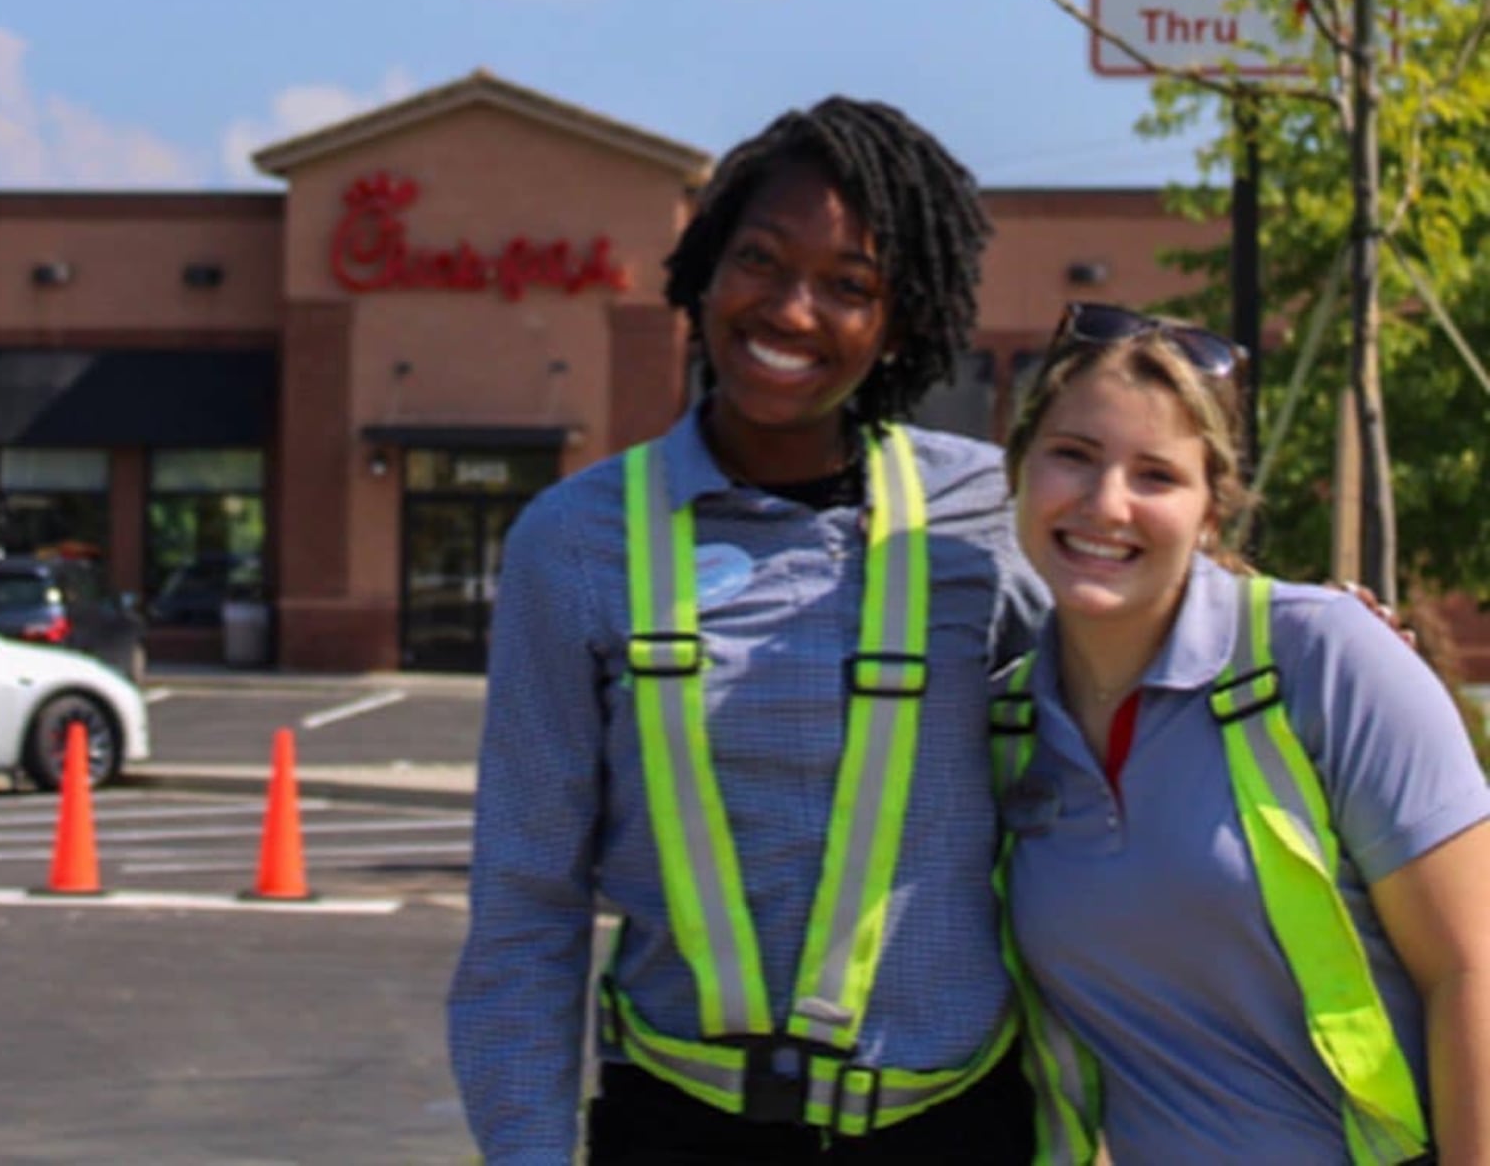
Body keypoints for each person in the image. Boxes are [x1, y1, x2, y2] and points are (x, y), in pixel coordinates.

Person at [448, 96, 1048, 1163]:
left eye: (849, 287)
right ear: (703, 274)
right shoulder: (574, 544)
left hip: (954, 1129)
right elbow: (526, 904)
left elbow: (1163, 687)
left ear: (901, 322)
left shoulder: (994, 518)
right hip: (677, 1128)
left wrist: (1335, 643)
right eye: (760, 263)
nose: (791, 311)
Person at [993, 301, 1490, 1164]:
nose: (1106, 503)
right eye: (1073, 456)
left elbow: (1472, 971)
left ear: (1213, 510)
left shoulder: (1326, 658)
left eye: (1156, 475)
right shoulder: (1001, 731)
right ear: (1019, 471)